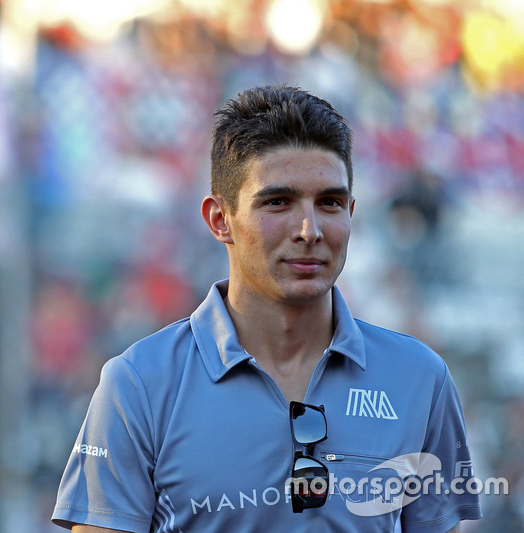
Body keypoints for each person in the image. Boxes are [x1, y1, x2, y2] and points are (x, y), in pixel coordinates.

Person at [51, 85, 482, 532]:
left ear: (351, 213)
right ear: (220, 219)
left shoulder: (420, 378)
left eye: (330, 203)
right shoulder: (138, 384)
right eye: (278, 202)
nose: (309, 230)